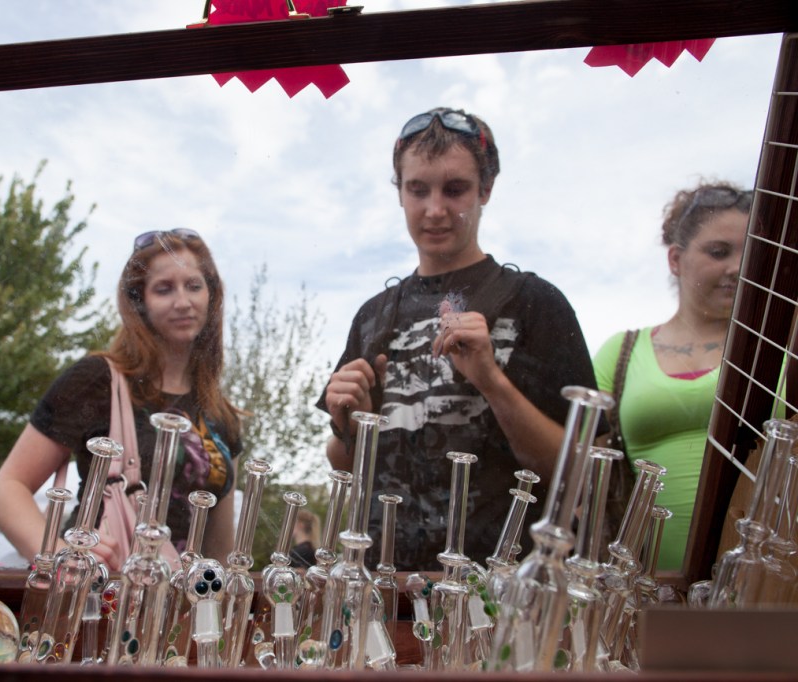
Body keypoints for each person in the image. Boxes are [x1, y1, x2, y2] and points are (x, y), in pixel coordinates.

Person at [318, 107, 598, 570]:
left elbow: (581, 475)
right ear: (400, 193)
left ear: (486, 190)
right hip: (384, 585)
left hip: (499, 588)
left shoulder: (534, 302)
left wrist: (492, 380)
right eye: (418, 189)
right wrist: (349, 423)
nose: (434, 209)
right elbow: (345, 466)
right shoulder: (373, 315)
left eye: (455, 189)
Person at [0, 228, 241, 570]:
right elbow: (8, 488)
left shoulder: (219, 413)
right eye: (164, 289)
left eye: (194, 286)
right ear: (140, 302)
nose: (183, 301)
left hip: (177, 608)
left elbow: (220, 550)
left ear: (211, 295)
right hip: (98, 596)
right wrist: (58, 554)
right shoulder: (98, 380)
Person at [594, 181, 751, 572]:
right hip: (647, 596)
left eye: (752, 254)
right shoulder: (621, 352)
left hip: (770, 594)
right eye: (719, 252)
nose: (737, 266)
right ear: (676, 260)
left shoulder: (779, 352)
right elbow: (582, 476)